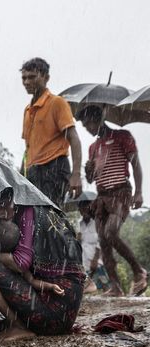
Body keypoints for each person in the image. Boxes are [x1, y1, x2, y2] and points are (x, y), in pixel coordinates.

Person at [0, 190, 84, 345]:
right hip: (61, 316)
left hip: (50, 314)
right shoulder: (43, 209)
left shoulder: (28, 210)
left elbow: (21, 262)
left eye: (3, 205)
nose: (0, 213)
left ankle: (17, 325)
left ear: (15, 198)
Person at [77, 105, 147, 296]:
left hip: (121, 192)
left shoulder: (122, 136)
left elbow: (136, 164)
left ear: (97, 119)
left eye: (88, 124)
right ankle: (115, 286)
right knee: (104, 241)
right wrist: (88, 170)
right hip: (102, 196)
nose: (87, 129)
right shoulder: (93, 148)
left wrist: (139, 191)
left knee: (110, 232)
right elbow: (92, 179)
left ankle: (138, 271)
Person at [20, 57, 82, 206]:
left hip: (54, 168)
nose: (27, 82)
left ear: (46, 78)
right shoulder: (27, 111)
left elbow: (74, 139)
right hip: (33, 171)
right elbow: (27, 148)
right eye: (24, 78)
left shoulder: (57, 103)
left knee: (50, 216)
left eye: (32, 77)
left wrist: (76, 174)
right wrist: (20, 176)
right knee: (33, 219)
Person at [76, 198, 110, 294]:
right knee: (87, 285)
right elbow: (77, 244)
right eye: (82, 209)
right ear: (79, 210)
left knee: (105, 284)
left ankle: (112, 300)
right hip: (84, 258)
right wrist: (77, 239)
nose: (84, 211)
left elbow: (101, 241)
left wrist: (95, 259)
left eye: (86, 208)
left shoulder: (97, 222)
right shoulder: (78, 224)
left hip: (97, 258)